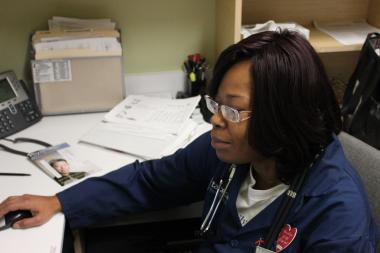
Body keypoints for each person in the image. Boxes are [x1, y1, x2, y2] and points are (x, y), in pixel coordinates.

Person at [0, 30, 378, 252]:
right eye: (216, 105)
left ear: (284, 116)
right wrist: (60, 201)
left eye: (233, 109)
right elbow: (151, 181)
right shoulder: (231, 151)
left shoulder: (338, 220)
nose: (215, 121)